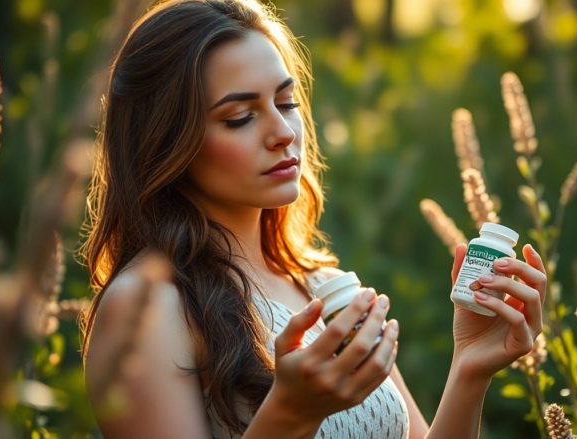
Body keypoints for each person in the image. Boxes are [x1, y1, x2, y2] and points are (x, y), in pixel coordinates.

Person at [79, 1, 547, 438]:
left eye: (286, 103)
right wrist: (290, 414)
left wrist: (470, 366)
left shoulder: (322, 285)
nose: (283, 133)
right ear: (165, 140)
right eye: (240, 116)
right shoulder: (144, 308)